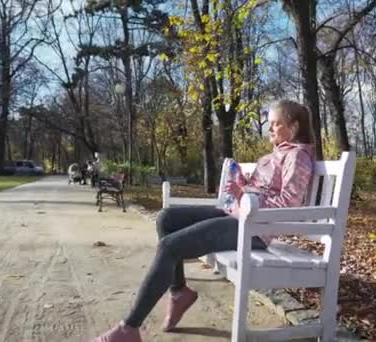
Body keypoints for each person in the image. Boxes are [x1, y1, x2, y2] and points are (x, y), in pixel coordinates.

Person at [92, 99, 315, 342]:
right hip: (238, 216)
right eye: (269, 123)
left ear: (293, 128)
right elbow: (260, 190)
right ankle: (179, 292)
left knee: (169, 246)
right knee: (167, 219)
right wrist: (241, 185)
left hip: (255, 230)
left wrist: (245, 197)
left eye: (276, 124)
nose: (269, 129)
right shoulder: (274, 154)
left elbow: (289, 203)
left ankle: (129, 329)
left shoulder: (298, 156)